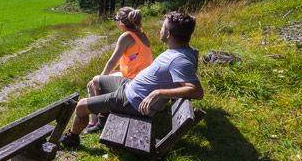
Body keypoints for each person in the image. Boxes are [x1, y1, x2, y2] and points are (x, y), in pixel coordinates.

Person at [60, 11, 204, 148]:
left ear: (168, 34)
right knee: (97, 80)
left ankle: (72, 138)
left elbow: (197, 91)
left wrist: (158, 93)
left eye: (162, 27)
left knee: (81, 106)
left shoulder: (179, 60)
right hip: (130, 85)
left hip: (132, 100)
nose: (160, 30)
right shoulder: (181, 50)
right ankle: (102, 117)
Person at [83, 7, 153, 134]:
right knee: (97, 82)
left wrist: (101, 79)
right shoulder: (142, 34)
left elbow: (112, 61)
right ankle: (98, 117)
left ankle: (96, 122)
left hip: (132, 81)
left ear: (121, 23)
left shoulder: (126, 36)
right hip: (141, 79)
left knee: (93, 84)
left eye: (116, 19)